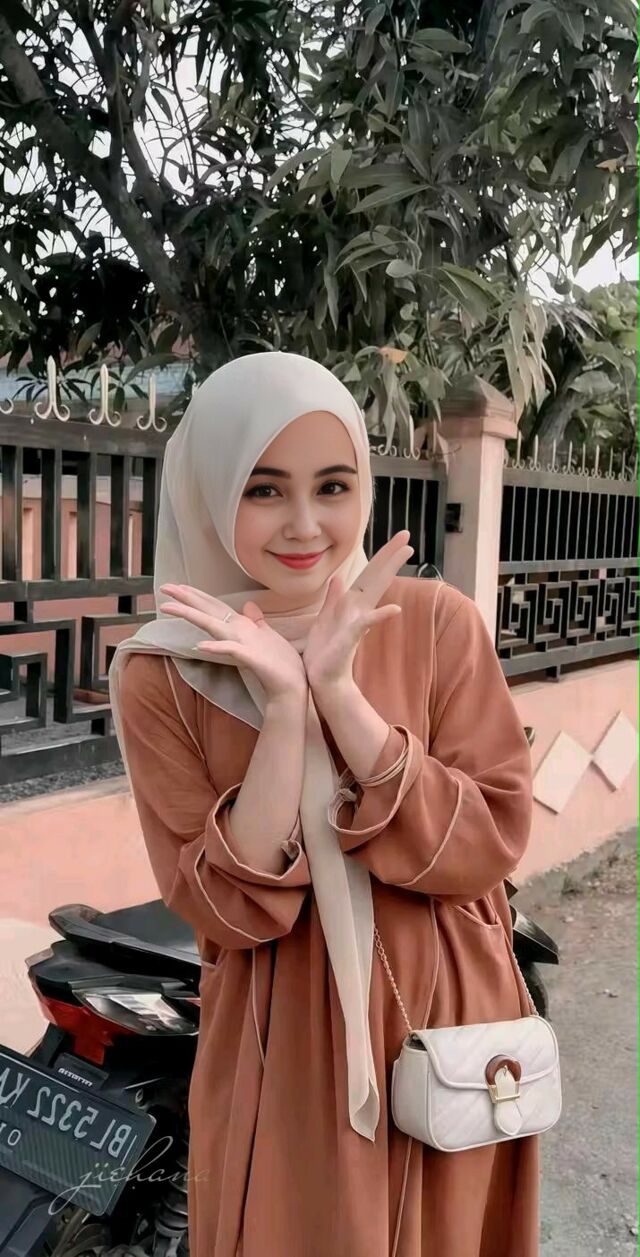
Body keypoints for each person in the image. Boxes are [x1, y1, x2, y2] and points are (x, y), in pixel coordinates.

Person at [109, 351, 539, 1257]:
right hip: (280, 1040)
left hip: (444, 1013)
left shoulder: (434, 623)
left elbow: (488, 840)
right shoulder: (165, 669)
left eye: (333, 486)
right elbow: (225, 909)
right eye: (264, 489)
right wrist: (285, 715)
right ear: (210, 491)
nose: (305, 524)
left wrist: (342, 697)